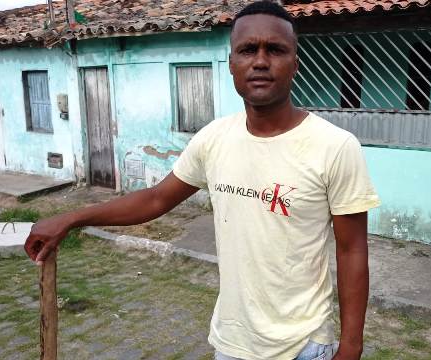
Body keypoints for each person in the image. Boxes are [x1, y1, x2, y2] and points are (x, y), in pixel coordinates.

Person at [24, 2, 381, 360]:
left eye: (275, 50)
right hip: (232, 342)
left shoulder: (334, 147)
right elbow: (156, 199)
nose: (260, 61)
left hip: (304, 345)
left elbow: (351, 250)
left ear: (295, 64)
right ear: (231, 65)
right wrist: (71, 219)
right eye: (247, 50)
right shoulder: (214, 139)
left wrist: (351, 346)